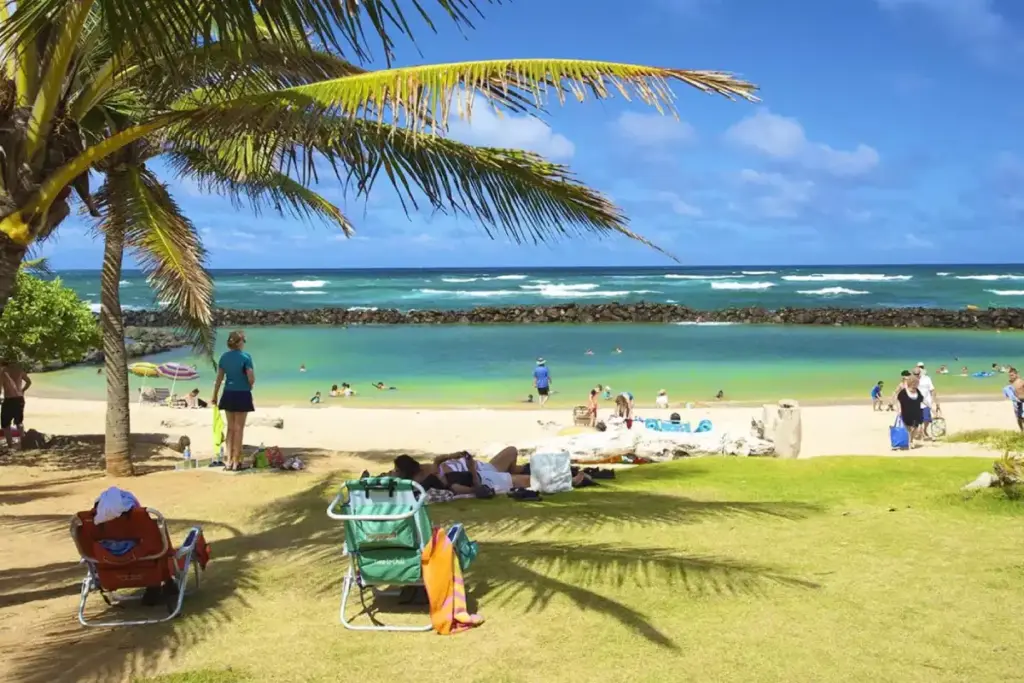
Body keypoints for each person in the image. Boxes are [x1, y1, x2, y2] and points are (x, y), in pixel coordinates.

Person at [211, 330, 255, 471]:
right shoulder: (246, 357)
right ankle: (236, 461)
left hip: (228, 393)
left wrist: (214, 395)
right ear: (240, 342)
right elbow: (251, 378)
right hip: (242, 394)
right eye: (244, 341)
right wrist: (250, 385)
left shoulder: (224, 357)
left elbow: (219, 379)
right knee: (239, 429)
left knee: (230, 428)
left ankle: (228, 460)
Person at [0, 361, 31, 450]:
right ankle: (23, 444)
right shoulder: (19, 370)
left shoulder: (3, 372)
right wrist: (23, 390)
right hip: (20, 399)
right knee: (19, 422)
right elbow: (29, 382)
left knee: (5, 424)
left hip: (9, 400)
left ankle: (10, 446)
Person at [895, 375, 924, 447]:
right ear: (910, 383)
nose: (916, 385)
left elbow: (922, 400)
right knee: (908, 428)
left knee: (915, 427)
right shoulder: (904, 392)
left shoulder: (918, 391)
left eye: (917, 383)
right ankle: (909, 441)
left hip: (916, 412)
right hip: (906, 412)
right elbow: (898, 400)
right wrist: (899, 410)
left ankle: (911, 440)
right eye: (914, 383)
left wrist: (931, 408)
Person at [915, 364, 937, 439]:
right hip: (916, 403)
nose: (916, 375)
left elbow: (932, 390)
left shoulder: (927, 379)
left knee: (926, 419)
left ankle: (924, 430)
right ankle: (919, 432)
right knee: (917, 419)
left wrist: (935, 401)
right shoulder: (912, 380)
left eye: (921, 367)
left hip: (927, 402)